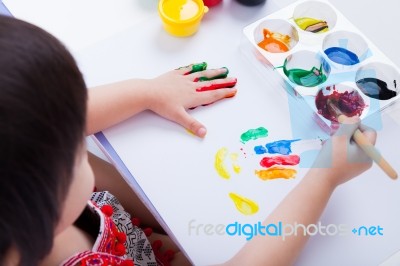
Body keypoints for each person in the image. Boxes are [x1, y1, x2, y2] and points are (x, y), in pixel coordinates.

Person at [0, 15, 377, 266]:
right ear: (37, 204)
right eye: (74, 153)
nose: (81, 138)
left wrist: (148, 91)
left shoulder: (19, 189)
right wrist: (324, 179)